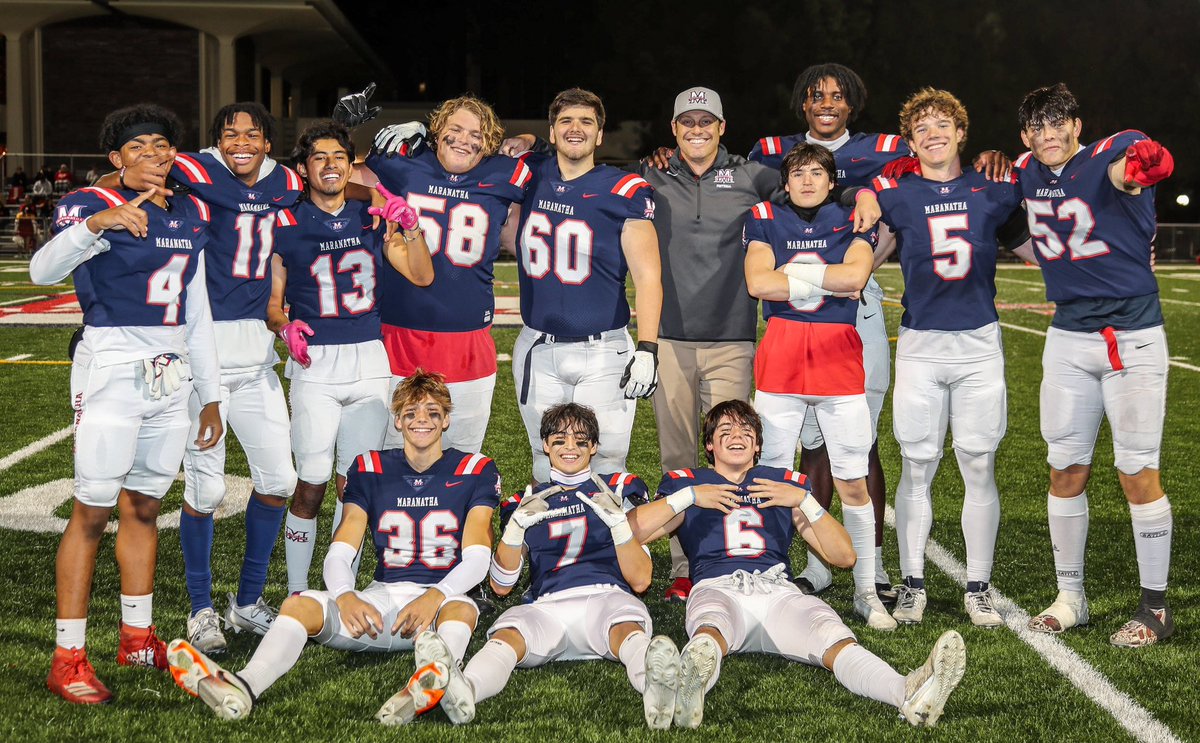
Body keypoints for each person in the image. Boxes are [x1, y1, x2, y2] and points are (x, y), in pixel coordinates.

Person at [750, 64, 1010, 600]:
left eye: (838, 96)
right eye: (816, 95)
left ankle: (875, 566)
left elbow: (927, 173)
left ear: (854, 104)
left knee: (859, 439)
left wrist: (990, 158)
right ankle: (819, 559)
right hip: (793, 320)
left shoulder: (886, 150)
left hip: (856, 312)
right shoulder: (772, 151)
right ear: (801, 102)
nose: (827, 103)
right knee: (807, 446)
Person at [165, 370, 500, 720]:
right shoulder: (370, 467)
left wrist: (435, 596)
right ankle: (244, 687)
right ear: (397, 420)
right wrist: (345, 595)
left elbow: (478, 557)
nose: (422, 421)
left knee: (462, 609)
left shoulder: (474, 468)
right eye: (411, 413)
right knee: (300, 604)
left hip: (440, 606)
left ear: (446, 420)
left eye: (432, 412)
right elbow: (342, 546)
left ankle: (427, 683)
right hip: (382, 601)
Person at [31, 103, 224, 704]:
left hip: (170, 371)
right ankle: (68, 657)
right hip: (112, 365)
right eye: (138, 147)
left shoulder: (190, 210)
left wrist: (210, 395)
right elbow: (41, 271)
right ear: (115, 159)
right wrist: (98, 226)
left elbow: (196, 312)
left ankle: (137, 637)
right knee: (91, 510)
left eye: (162, 145)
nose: (155, 155)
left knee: (143, 506)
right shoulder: (91, 206)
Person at [102, 103, 306, 652]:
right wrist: (112, 185)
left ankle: (246, 602)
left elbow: (340, 182)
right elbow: (122, 177)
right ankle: (200, 608)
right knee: (207, 487)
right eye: (230, 133)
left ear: (268, 141)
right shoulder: (195, 169)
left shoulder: (285, 179)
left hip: (256, 354)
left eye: (253, 133)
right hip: (202, 350)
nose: (242, 142)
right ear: (216, 141)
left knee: (280, 481)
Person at [627, 400, 966, 729]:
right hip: (719, 587)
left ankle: (905, 692)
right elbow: (631, 530)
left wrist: (805, 501)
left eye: (747, 431)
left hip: (778, 591)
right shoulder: (688, 483)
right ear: (709, 445)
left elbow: (844, 557)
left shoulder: (783, 484)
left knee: (833, 637)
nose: (737, 436)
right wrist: (687, 498)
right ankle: (693, 688)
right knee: (709, 631)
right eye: (726, 430)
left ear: (758, 445)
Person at [384, 402, 674, 729]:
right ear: (545, 445)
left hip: (605, 597)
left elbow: (641, 580)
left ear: (594, 447)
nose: (569, 448)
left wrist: (620, 525)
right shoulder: (525, 499)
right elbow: (501, 585)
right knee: (508, 636)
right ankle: (466, 690)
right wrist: (515, 529)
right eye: (560, 439)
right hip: (547, 605)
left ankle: (657, 690)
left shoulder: (619, 486)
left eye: (580, 441)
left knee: (628, 631)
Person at [1013, 83, 1175, 647]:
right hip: (1068, 337)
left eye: (1059, 121)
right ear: (1025, 136)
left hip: (1132, 337)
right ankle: (1071, 596)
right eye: (1038, 125)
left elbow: (1135, 168)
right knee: (1065, 469)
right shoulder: (1025, 170)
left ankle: (1155, 607)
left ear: (1078, 125)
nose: (1049, 132)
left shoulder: (1110, 154)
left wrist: (1146, 164)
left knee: (1137, 471)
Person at [871, 89, 1028, 628]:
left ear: (962, 133)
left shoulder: (996, 188)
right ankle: (913, 582)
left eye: (942, 124)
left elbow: (1040, 247)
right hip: (920, 344)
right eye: (921, 128)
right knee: (917, 465)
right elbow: (861, 254)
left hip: (979, 344)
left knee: (979, 464)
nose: (932, 133)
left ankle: (978, 587)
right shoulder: (895, 193)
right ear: (911, 142)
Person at [267, 120, 434, 593]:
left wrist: (412, 226)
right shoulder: (285, 222)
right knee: (312, 483)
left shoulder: (372, 217)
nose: (330, 165)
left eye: (339, 157)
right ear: (303, 168)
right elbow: (273, 303)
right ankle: (299, 591)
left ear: (350, 164)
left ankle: (341, 587)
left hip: (368, 358)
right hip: (314, 362)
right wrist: (284, 327)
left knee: (354, 484)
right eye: (319, 157)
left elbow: (421, 276)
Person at [742, 143, 890, 629]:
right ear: (786, 182)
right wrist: (826, 280)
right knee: (772, 481)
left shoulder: (854, 217)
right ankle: (771, 578)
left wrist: (794, 274)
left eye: (817, 173)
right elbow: (759, 285)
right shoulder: (764, 216)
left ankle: (866, 590)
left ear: (832, 180)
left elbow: (856, 277)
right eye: (798, 173)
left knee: (852, 480)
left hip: (838, 363)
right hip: (781, 362)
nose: (807, 181)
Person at [355, 94, 531, 454]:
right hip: (398, 336)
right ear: (435, 131)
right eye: (454, 129)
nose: (464, 139)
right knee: (389, 457)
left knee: (460, 462)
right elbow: (336, 172)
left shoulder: (506, 172)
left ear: (490, 144)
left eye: (476, 134)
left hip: (467, 341)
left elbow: (560, 163)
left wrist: (528, 139)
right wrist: (350, 132)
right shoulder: (403, 162)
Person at [503, 88, 663, 483]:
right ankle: (553, 545)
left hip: (604, 348)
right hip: (539, 346)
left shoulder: (623, 189)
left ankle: (608, 545)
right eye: (566, 122)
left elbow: (648, 277)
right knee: (546, 462)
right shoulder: (531, 175)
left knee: (607, 460)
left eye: (586, 122)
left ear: (600, 134)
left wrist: (648, 348)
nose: (576, 129)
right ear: (553, 133)